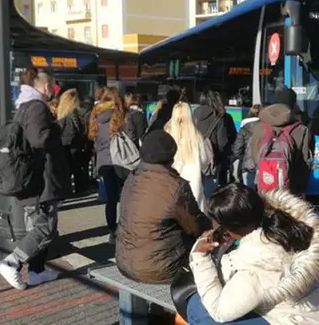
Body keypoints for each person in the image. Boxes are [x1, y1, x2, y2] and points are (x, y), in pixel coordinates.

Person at [187, 183, 319, 325]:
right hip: (313, 314)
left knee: (196, 306)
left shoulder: (256, 265)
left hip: (290, 320)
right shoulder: (286, 224)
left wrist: (200, 257)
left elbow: (219, 312)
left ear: (230, 229)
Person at [0, 67, 70, 290]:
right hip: (41, 180)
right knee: (44, 227)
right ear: (46, 86)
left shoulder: (23, 105)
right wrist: (58, 129)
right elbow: (39, 139)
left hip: (32, 178)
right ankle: (12, 262)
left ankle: (37, 271)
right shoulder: (37, 107)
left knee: (39, 226)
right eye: (52, 85)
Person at [116, 130, 210, 284]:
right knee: (205, 243)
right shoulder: (175, 187)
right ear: (171, 157)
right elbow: (195, 226)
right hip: (159, 269)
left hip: (125, 261)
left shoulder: (132, 178)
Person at [250, 88, 314, 196]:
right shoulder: (302, 130)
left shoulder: (259, 127)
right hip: (291, 188)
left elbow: (254, 155)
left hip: (265, 184)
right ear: (293, 104)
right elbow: (305, 162)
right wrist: (301, 187)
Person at [89, 86, 131, 242]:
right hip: (122, 161)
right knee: (127, 196)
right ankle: (125, 229)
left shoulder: (96, 116)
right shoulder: (121, 115)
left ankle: (112, 231)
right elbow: (130, 136)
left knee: (111, 199)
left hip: (104, 163)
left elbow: (95, 143)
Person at [165, 102, 213, 212]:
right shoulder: (196, 137)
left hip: (171, 184)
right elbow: (204, 161)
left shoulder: (167, 134)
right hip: (194, 186)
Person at [194, 90, 236, 188]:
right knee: (211, 192)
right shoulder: (220, 116)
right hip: (214, 160)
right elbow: (222, 143)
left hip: (196, 158)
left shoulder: (194, 114)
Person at [57, 89, 88, 195]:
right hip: (73, 145)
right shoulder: (75, 115)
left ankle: (69, 191)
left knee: (69, 170)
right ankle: (80, 189)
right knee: (76, 169)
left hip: (65, 146)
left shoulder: (61, 115)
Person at [231, 104, 263, 188]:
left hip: (248, 167)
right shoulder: (267, 128)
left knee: (249, 193)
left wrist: (245, 158)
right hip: (263, 166)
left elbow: (237, 150)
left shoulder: (244, 129)